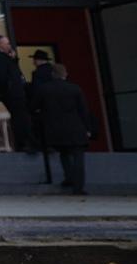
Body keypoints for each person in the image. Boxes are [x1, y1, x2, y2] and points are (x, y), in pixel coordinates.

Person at [29, 60, 95, 194]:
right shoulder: (75, 89)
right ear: (65, 74)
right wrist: (88, 128)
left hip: (55, 129)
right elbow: (83, 110)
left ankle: (69, 178)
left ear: (53, 74)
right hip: (75, 127)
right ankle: (78, 187)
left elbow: (33, 107)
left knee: (64, 153)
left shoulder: (44, 89)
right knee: (78, 157)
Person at [0, 33, 32, 153]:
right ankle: (23, 142)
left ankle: (27, 141)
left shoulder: (3, 56)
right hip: (11, 92)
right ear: (0, 44)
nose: (9, 46)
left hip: (15, 91)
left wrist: (13, 59)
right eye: (7, 43)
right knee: (19, 116)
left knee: (22, 116)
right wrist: (9, 87)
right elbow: (2, 75)